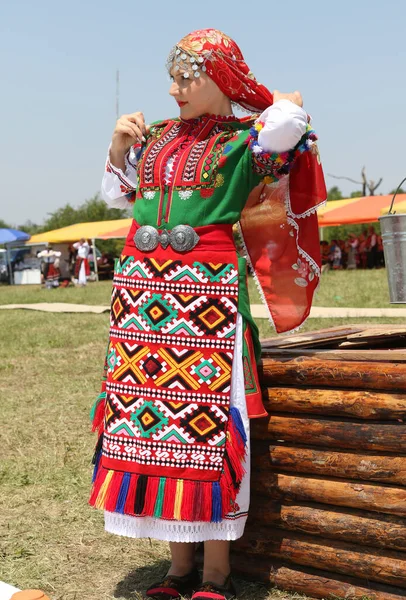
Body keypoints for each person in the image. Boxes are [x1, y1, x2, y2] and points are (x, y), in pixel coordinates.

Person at [89, 29, 326, 600]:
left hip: (206, 304)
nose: (173, 90)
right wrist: (120, 150)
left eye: (185, 77)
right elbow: (119, 196)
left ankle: (215, 574)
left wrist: (272, 98)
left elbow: (288, 124)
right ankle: (177, 569)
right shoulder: (158, 138)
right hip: (142, 301)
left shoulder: (245, 142)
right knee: (153, 431)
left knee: (209, 433)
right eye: (171, 78)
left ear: (219, 76)